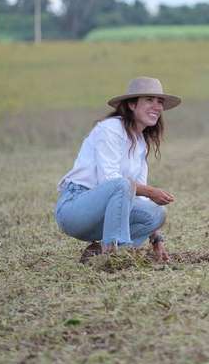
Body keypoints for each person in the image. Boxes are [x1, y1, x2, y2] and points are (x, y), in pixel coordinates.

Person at [55, 77, 180, 263]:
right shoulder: (110, 129)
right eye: (149, 100)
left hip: (107, 214)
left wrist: (156, 240)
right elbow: (111, 181)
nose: (157, 106)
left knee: (156, 213)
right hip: (75, 209)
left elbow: (140, 197)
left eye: (159, 102)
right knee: (121, 184)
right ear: (131, 104)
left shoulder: (140, 143)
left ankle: (97, 253)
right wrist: (151, 191)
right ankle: (117, 254)